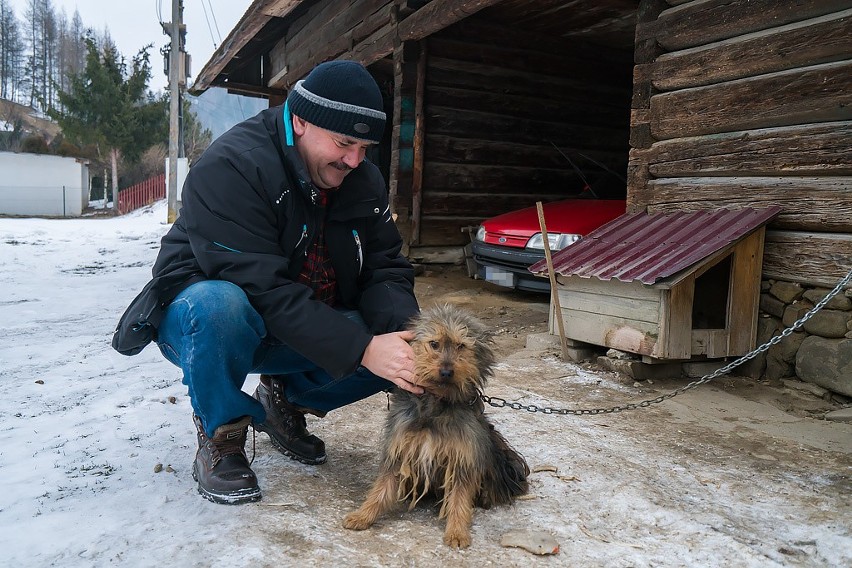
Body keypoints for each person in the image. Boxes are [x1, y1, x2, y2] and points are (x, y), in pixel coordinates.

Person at [112, 60, 422, 505]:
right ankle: (223, 435)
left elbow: (386, 267)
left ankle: (285, 400)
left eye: (365, 147)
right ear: (300, 120)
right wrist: (362, 349)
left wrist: (402, 342)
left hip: (295, 323)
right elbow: (261, 289)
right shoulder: (234, 167)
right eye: (344, 142)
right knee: (219, 305)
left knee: (399, 343)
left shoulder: (361, 180)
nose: (355, 159)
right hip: (207, 322)